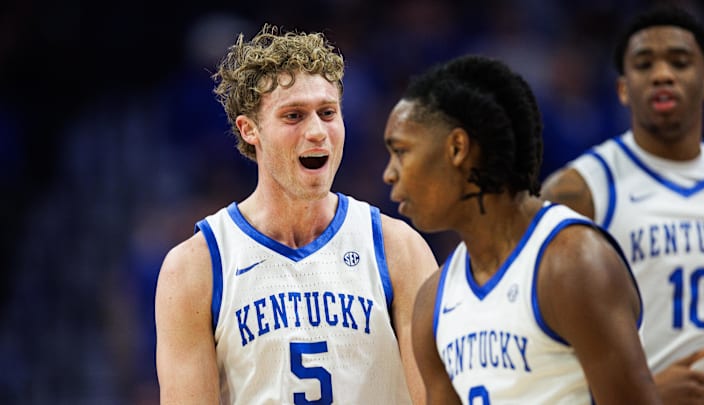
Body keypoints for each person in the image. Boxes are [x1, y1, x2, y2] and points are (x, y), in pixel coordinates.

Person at [154, 23, 437, 404]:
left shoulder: (398, 249)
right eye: (294, 116)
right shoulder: (195, 268)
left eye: (327, 112)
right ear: (249, 129)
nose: (318, 131)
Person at [382, 54, 661, 404]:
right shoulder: (433, 301)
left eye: (401, 152)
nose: (389, 174)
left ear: (457, 148)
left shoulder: (571, 262)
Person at [540, 5, 704, 404]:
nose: (662, 74)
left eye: (680, 61)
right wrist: (642, 395)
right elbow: (535, 335)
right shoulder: (578, 189)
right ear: (622, 88)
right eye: (644, 63)